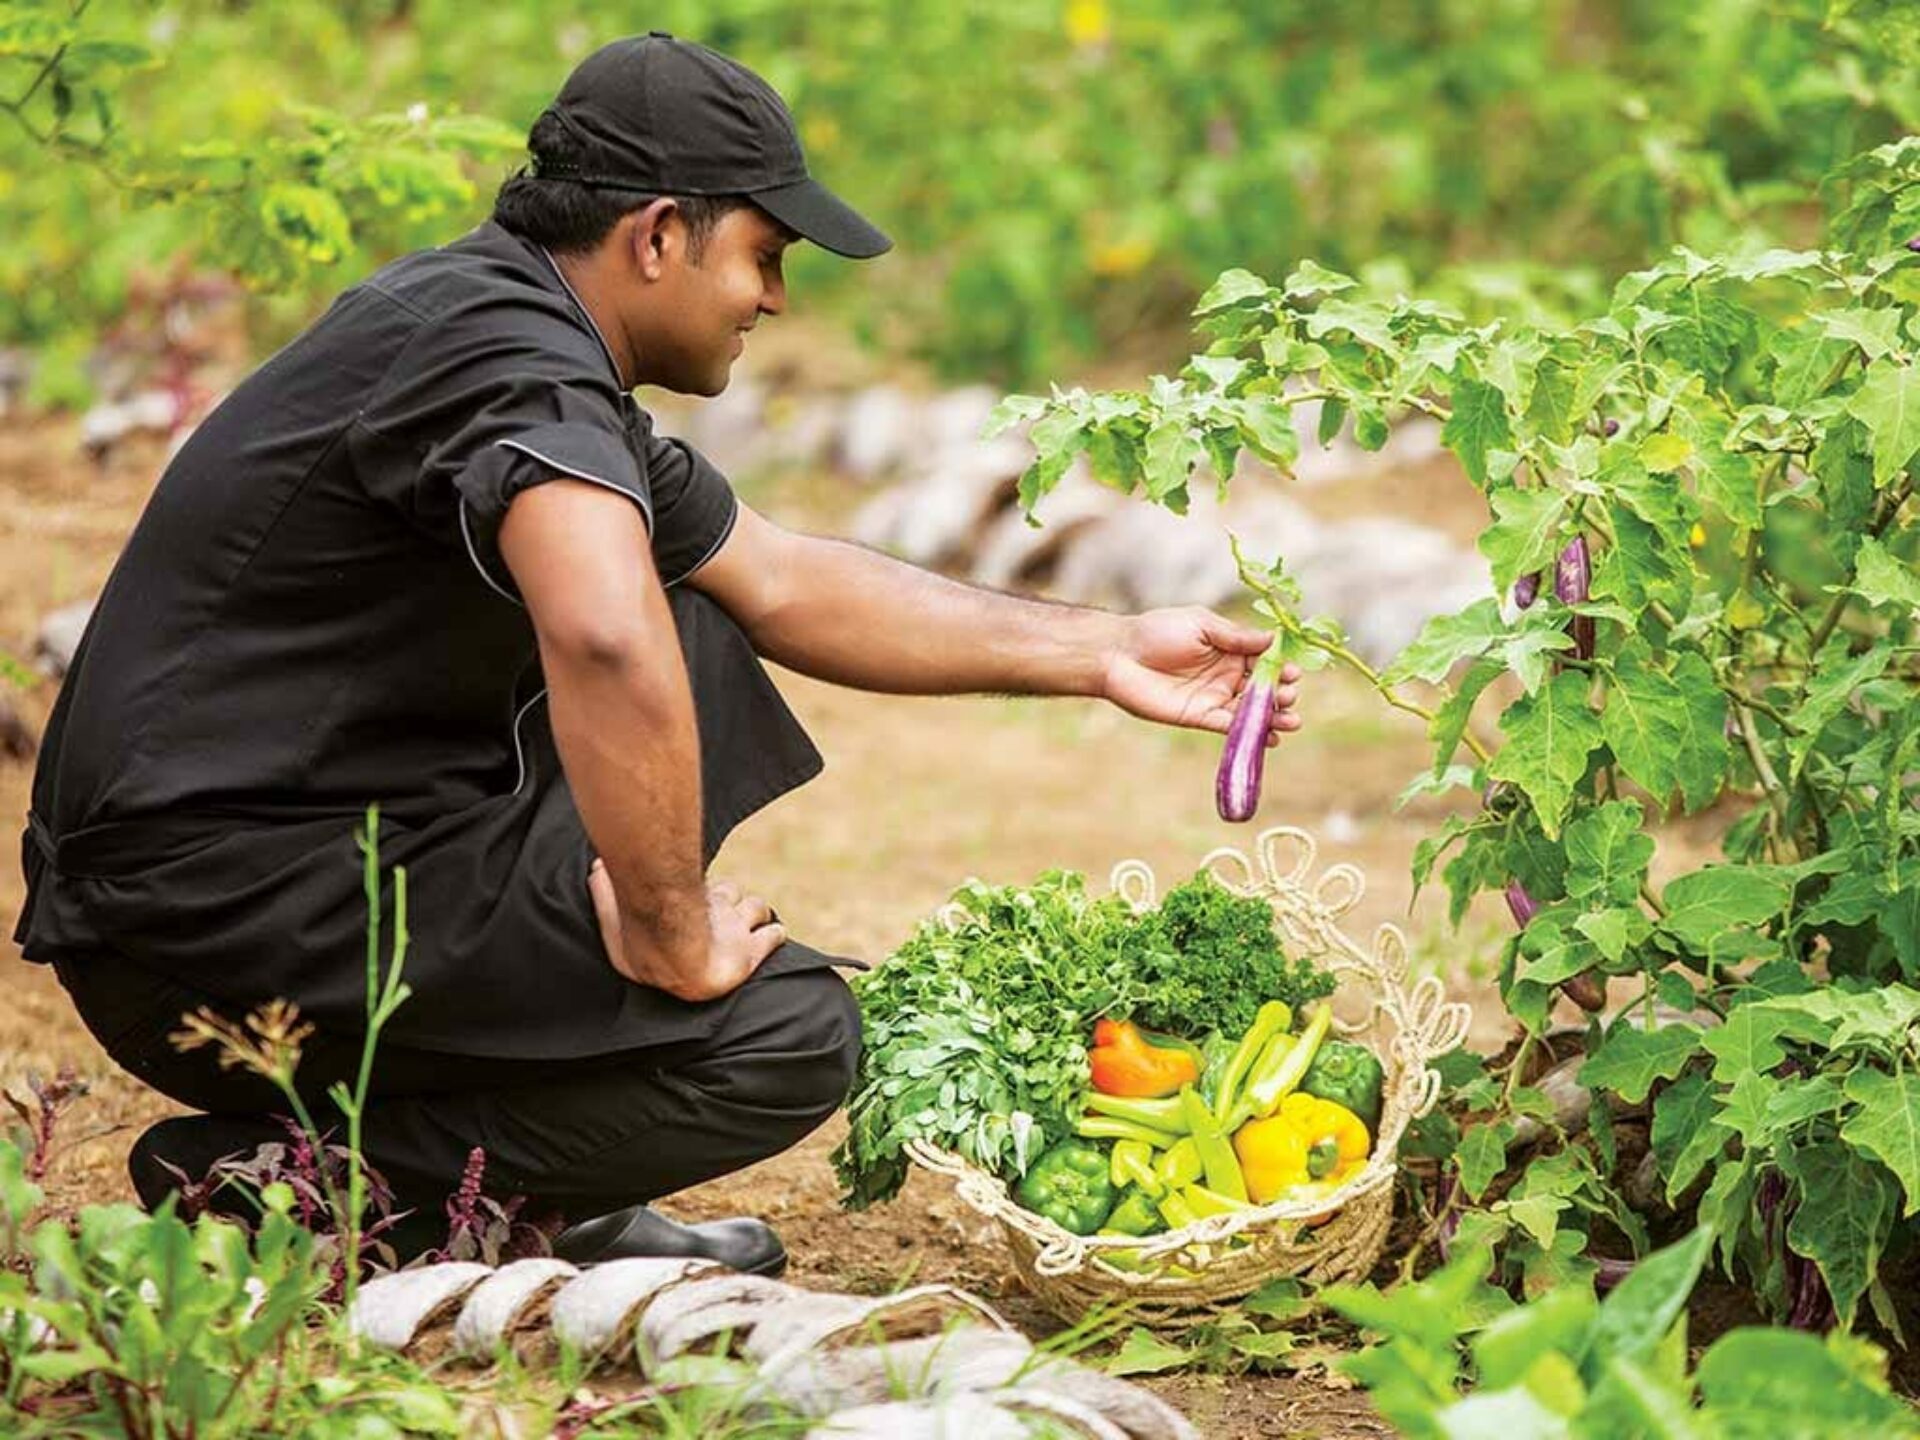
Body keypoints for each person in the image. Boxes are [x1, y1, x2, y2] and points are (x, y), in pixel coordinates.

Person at [12, 33, 1303, 1273]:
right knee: (785, 1037)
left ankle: (525, 1191)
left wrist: (1105, 648)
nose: (777, 298)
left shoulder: (502, 335)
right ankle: (300, 1191)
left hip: (257, 872)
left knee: (697, 611)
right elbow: (603, 637)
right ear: (661, 234)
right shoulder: (509, 364)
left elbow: (787, 581)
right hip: (212, 924)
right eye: (767, 253)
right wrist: (673, 932)